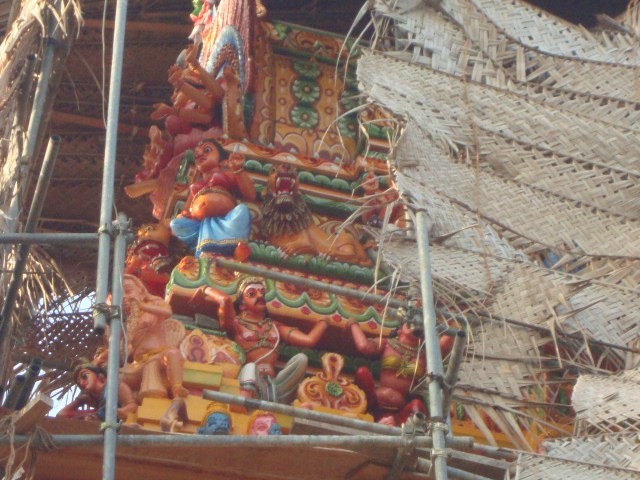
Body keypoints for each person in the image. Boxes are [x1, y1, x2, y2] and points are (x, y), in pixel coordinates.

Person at [189, 275, 328, 401]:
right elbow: (225, 300)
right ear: (242, 304)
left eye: (262, 292)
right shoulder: (236, 324)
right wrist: (204, 289)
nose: (260, 296)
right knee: (250, 367)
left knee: (301, 359)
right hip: (249, 378)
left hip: (274, 384)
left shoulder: (274, 326)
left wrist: (324, 322)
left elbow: (309, 340)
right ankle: (244, 402)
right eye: (252, 294)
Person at [170, 137, 257, 259]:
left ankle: (234, 248)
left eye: (206, 150)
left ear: (223, 161)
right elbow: (186, 209)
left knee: (241, 211)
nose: (199, 155)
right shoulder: (196, 186)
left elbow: (250, 195)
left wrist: (238, 170)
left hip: (227, 221)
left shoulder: (227, 175)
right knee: (175, 224)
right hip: (201, 223)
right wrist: (184, 214)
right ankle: (203, 247)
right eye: (196, 154)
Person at [121, 274, 188, 400]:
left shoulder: (154, 304)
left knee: (173, 353)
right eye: (120, 295)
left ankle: (177, 388)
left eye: (128, 291)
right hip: (138, 363)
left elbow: (167, 312)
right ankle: (129, 404)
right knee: (113, 377)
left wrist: (142, 306)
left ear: (141, 292)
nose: (124, 297)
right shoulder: (125, 322)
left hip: (159, 355)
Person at [350, 321, 427, 425]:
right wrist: (352, 323)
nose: (414, 326)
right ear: (399, 330)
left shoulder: (424, 356)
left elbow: (445, 345)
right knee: (362, 372)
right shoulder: (387, 344)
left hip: (400, 411)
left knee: (417, 405)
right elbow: (364, 346)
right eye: (409, 323)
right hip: (372, 402)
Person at [57, 363, 137, 422]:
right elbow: (61, 415)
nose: (81, 383)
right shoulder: (93, 401)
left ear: (100, 375)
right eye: (78, 384)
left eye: (84, 376)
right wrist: (79, 401)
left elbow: (132, 406)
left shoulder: (114, 385)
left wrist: (115, 412)